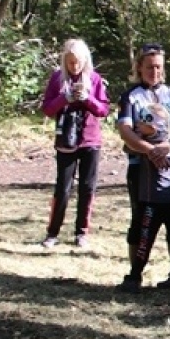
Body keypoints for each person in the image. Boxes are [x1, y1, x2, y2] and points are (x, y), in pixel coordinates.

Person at [114, 42, 170, 293]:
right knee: (142, 219)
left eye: (159, 67)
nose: (155, 72)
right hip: (141, 167)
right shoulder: (130, 96)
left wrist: (168, 146)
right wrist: (148, 150)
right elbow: (125, 130)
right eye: (150, 67)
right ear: (139, 67)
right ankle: (134, 274)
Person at [38, 38, 110, 248]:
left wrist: (87, 98)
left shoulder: (94, 79)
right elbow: (47, 109)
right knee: (63, 188)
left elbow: (103, 110)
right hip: (65, 140)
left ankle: (81, 233)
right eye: (70, 62)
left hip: (90, 140)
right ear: (64, 61)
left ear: (85, 60)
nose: (74, 66)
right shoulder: (57, 78)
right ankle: (52, 233)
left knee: (87, 187)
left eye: (78, 62)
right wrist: (64, 98)